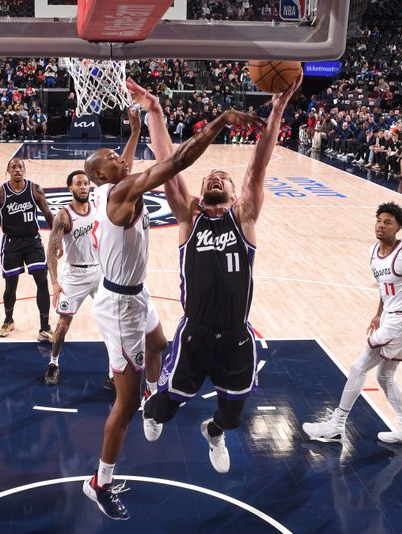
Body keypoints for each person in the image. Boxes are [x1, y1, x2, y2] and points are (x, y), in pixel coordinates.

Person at [81, 85, 262, 521]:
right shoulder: (119, 194)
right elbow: (177, 161)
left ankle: (157, 395)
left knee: (160, 342)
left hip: (134, 293)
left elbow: (120, 168)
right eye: (112, 157)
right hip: (120, 306)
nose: (120, 157)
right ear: (104, 177)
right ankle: (99, 482)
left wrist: (139, 127)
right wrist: (219, 121)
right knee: (124, 407)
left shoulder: (114, 184)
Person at [141, 73, 303, 473]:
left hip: (235, 334)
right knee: (164, 408)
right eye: (208, 177)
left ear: (234, 195)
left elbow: (258, 165)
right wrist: (155, 113)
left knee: (232, 415)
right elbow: (168, 162)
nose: (214, 176)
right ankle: (152, 408)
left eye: (223, 178)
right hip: (194, 332)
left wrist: (278, 109)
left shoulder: (244, 216)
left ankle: (213, 432)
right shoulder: (187, 214)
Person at [302, 202, 402, 444]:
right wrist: (378, 313)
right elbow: (384, 289)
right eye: (379, 221)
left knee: (358, 368)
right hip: (392, 318)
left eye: (388, 222)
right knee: (385, 377)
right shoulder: (373, 252)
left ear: (398, 227)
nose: (381, 226)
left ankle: (336, 425)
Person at [45, 116, 167, 390]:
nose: (82, 187)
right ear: (72, 188)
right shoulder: (65, 215)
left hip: (101, 272)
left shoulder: (100, 195)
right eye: (78, 184)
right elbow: (51, 250)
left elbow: (123, 169)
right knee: (64, 324)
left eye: (83, 184)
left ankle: (120, 375)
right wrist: (54, 281)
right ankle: (54, 361)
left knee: (127, 336)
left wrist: (135, 131)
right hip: (78, 275)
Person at [0, 157, 55, 340]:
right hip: (12, 243)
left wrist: (57, 240)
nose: (17, 170)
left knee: (42, 280)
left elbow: (48, 214)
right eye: (13, 167)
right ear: (8, 170)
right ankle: (8, 320)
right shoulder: (0, 193)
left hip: (33, 241)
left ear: (24, 170)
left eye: (20, 167)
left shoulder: (35, 189)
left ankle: (44, 327)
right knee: (11, 285)